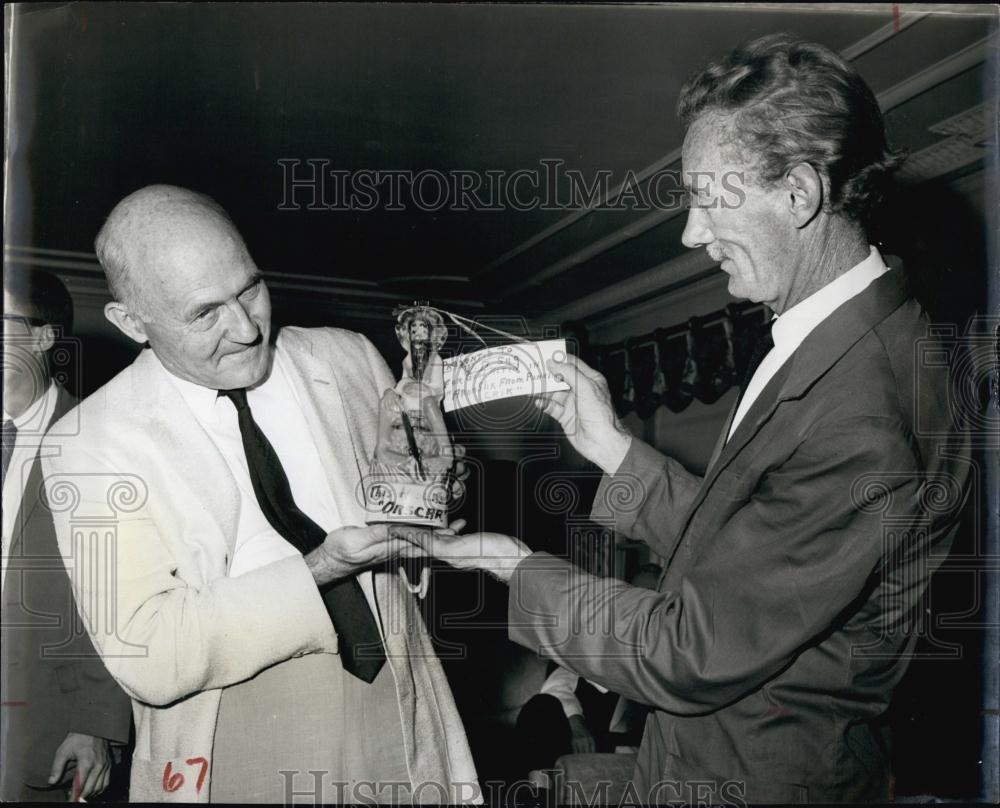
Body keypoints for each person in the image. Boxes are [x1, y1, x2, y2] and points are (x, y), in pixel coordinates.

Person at [428, 34, 970, 803]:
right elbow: (743, 547)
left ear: (800, 194)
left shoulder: (865, 406)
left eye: (710, 198)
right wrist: (614, 451)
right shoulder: (844, 339)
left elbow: (687, 652)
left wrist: (519, 570)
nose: (689, 233)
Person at [41, 185, 478, 803]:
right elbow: (148, 654)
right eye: (204, 313)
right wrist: (323, 568)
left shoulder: (349, 357)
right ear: (131, 323)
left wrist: (438, 495)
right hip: (232, 725)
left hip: (401, 699)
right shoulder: (85, 443)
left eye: (250, 289)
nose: (246, 329)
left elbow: (407, 511)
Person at [1, 268, 131, 801]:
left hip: (43, 734)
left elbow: (119, 596)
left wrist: (98, 722)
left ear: (43, 336)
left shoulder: (100, 443)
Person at [513, 565, 660, 787]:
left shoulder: (671, 651)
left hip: (632, 744)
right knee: (541, 708)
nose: (643, 602)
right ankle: (537, 795)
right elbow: (557, 683)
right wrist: (576, 723)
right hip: (586, 730)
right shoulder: (604, 638)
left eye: (651, 593)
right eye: (636, 593)